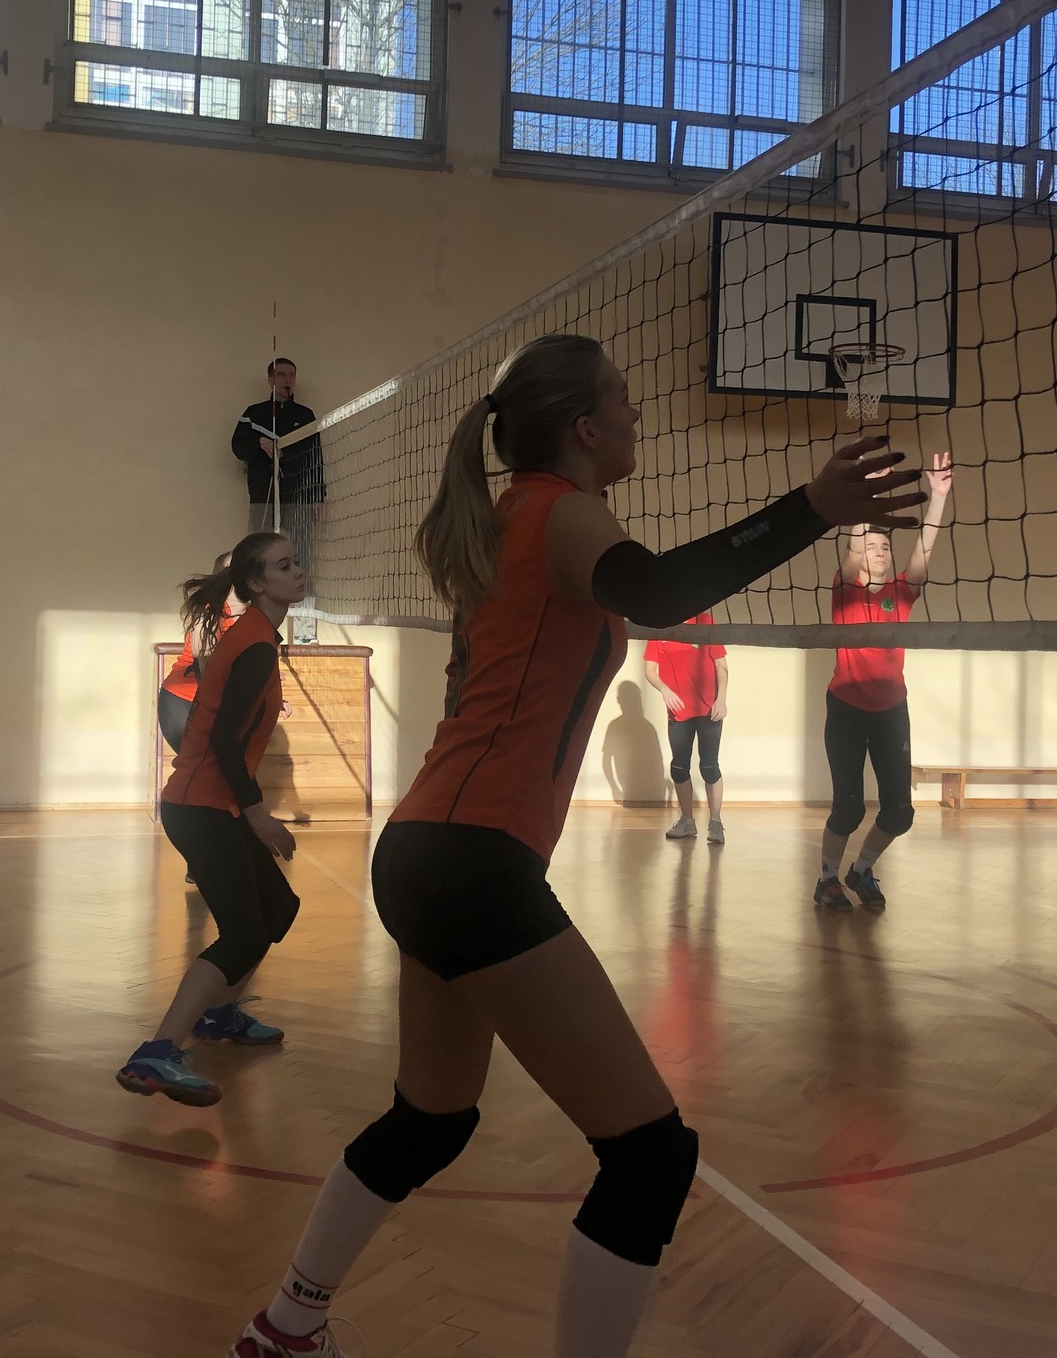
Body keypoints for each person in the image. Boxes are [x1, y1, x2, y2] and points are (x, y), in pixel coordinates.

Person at [227, 334, 921, 1358]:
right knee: (650, 1157)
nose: (638, 417)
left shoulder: (510, 519)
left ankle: (287, 1326)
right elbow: (659, 592)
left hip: (427, 849)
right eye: (625, 402)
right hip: (473, 861)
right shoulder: (558, 507)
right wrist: (810, 506)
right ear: (586, 429)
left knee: (432, 1118)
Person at [119, 531, 307, 1107]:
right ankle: (156, 1053)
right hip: (200, 806)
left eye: (296, 562)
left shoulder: (257, 636)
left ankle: (221, 1016)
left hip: (211, 803)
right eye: (284, 566)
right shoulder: (253, 644)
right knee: (245, 931)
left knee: (277, 907)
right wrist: (258, 815)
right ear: (256, 583)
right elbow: (225, 739)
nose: (298, 571)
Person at [814, 450, 954, 913]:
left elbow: (923, 553)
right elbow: (853, 551)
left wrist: (938, 497)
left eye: (885, 548)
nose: (879, 552)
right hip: (846, 708)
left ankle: (862, 870)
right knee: (849, 808)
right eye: (872, 547)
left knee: (900, 812)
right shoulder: (845, 589)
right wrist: (865, 500)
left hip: (892, 709)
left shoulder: (901, 593)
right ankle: (827, 880)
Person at [233, 358, 325, 574]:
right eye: (282, 374)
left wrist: (318, 496)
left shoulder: (305, 416)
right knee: (259, 548)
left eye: (292, 375)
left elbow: (315, 457)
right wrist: (259, 443)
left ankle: (302, 590)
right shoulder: (254, 414)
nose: (287, 380)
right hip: (263, 495)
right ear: (271, 380)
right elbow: (239, 448)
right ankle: (258, 587)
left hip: (299, 496)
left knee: (300, 549)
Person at [643, 614, 727, 844]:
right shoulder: (660, 624)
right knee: (679, 768)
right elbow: (650, 670)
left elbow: (721, 665)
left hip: (709, 709)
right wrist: (664, 689)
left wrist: (721, 699)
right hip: (679, 711)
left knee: (709, 766)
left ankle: (715, 821)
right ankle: (687, 821)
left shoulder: (706, 621)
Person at [159, 549, 237, 756]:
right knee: (206, 768)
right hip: (185, 700)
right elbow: (204, 660)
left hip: (207, 702)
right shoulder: (212, 609)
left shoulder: (247, 613)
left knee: (214, 771)